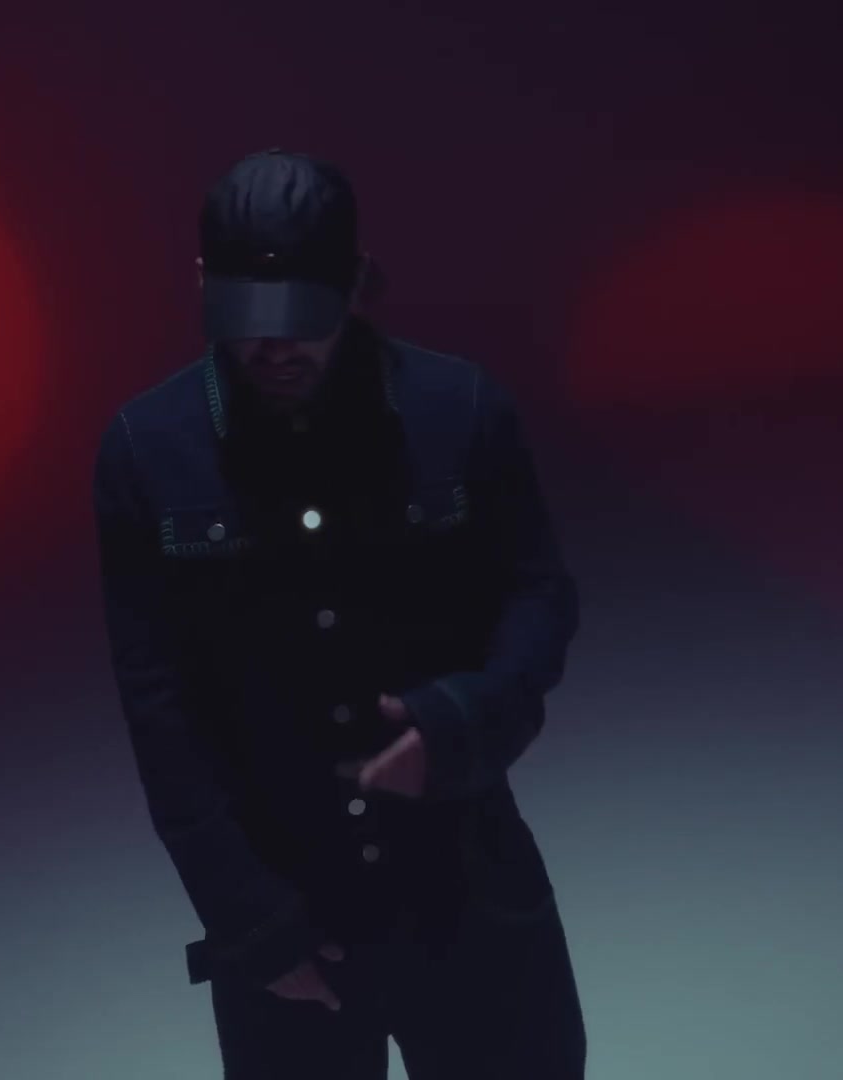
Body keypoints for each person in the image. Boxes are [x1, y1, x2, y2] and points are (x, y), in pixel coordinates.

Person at [93, 149, 586, 1079]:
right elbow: (162, 714)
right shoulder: (144, 453)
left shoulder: (462, 409)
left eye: (303, 314)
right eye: (247, 314)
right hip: (288, 926)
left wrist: (464, 720)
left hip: (471, 897)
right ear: (202, 285)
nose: (274, 346)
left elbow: (540, 596)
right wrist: (249, 921)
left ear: (357, 284)